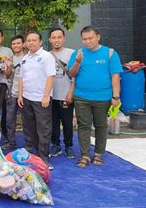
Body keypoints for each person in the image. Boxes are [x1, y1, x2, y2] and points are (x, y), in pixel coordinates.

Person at [68, 26, 122, 168]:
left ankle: (98, 153)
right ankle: (84, 155)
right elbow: (71, 74)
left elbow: (115, 76)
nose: (87, 41)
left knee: (100, 125)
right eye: (84, 39)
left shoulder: (110, 53)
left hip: (103, 97)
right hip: (81, 97)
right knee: (83, 126)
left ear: (98, 37)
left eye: (90, 38)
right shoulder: (78, 53)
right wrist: (77, 62)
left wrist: (115, 97)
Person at [17, 31, 56, 170]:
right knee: (28, 127)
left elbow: (51, 76)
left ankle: (44, 158)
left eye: (34, 40)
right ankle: (31, 153)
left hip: (41, 99)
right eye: (29, 41)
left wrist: (46, 96)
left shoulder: (46, 57)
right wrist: (20, 95)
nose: (31, 43)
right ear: (26, 43)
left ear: (40, 42)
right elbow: (21, 78)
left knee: (43, 128)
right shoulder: (25, 58)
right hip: (26, 98)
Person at [49, 28, 76, 159]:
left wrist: (71, 92)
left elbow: (75, 75)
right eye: (53, 37)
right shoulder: (47, 55)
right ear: (50, 40)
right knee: (53, 123)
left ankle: (69, 146)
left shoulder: (72, 53)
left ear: (64, 38)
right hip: (51, 96)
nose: (56, 40)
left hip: (66, 95)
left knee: (67, 123)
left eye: (59, 37)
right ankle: (55, 145)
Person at [2, 35, 25, 150]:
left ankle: (30, 144)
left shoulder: (28, 58)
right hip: (11, 93)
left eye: (18, 43)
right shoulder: (10, 58)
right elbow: (7, 76)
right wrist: (8, 66)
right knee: (10, 120)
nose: (16, 45)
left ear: (23, 44)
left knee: (27, 121)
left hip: (25, 95)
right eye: (14, 44)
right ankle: (11, 142)